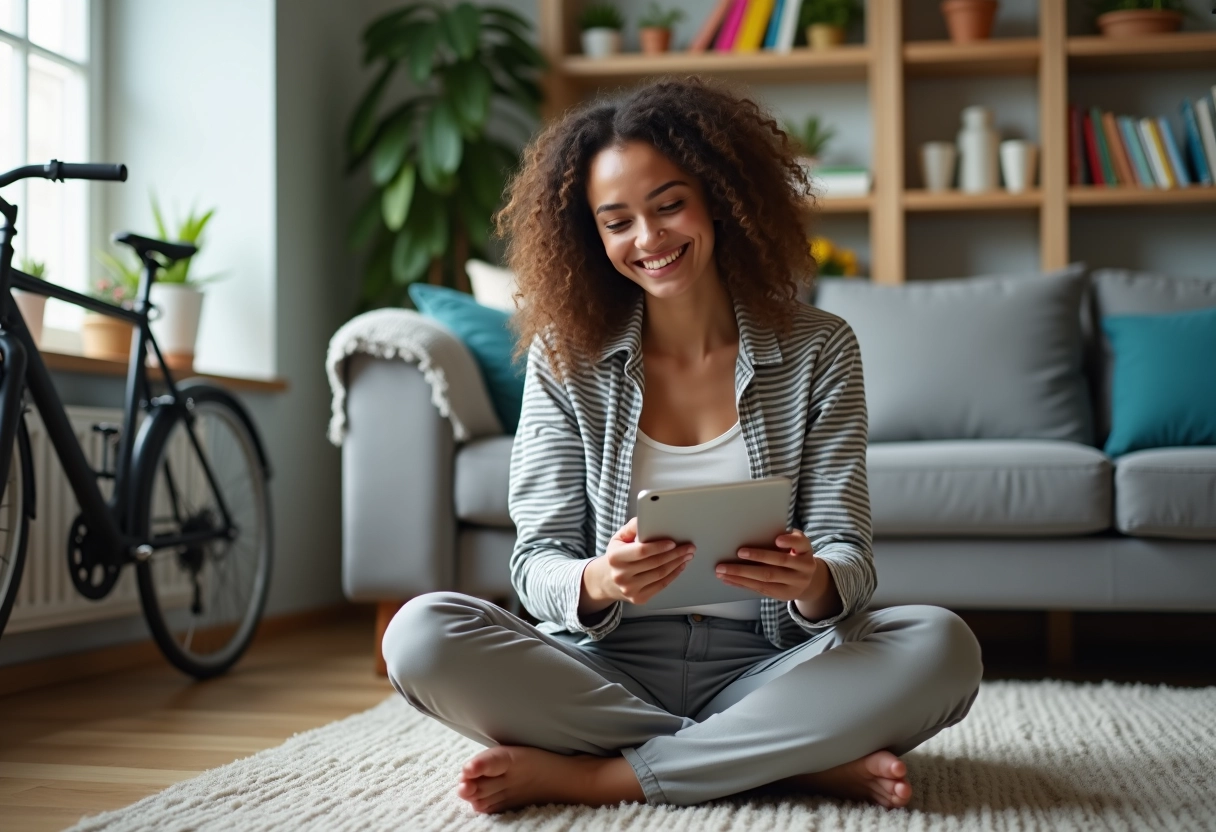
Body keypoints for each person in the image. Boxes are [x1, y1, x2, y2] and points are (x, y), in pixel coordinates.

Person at [382, 76, 983, 815]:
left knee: (942, 646)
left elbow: (849, 552)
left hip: (774, 664)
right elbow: (535, 560)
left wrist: (812, 581)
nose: (649, 239)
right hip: (605, 669)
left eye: (669, 205)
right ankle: (784, 757)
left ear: (722, 198)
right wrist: (600, 581)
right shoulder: (565, 357)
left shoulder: (820, 349)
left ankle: (603, 775)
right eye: (617, 222)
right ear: (589, 236)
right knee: (420, 635)